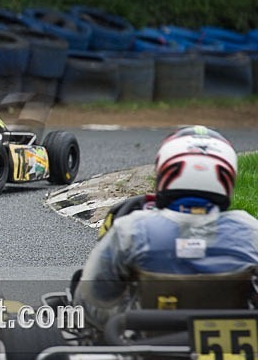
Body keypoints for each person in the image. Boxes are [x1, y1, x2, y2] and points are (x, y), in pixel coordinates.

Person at [74, 125, 258, 328]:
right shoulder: (249, 230)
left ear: (166, 172)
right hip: (232, 344)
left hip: (148, 340)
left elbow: (97, 295)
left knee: (82, 294)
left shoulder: (133, 229)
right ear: (226, 178)